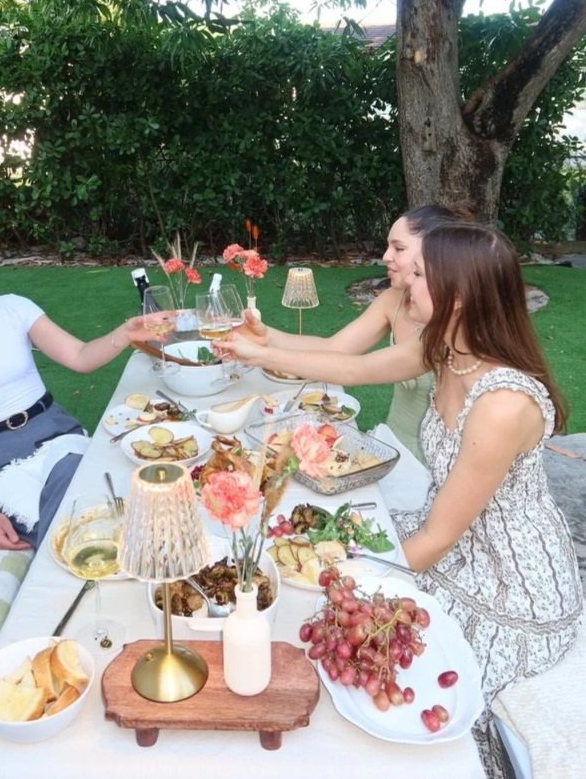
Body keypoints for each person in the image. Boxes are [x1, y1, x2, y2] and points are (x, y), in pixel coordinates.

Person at [220, 220, 583, 777]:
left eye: (417, 273)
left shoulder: (503, 403)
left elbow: (436, 538)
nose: (401, 281)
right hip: (451, 534)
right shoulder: (447, 350)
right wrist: (256, 349)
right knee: (328, 549)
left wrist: (345, 588)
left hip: (507, 579)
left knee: (396, 661)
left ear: (456, 297)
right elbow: (352, 366)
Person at [0, 213, 160, 551]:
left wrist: (125, 333)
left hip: (54, 433)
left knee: (89, 496)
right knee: (66, 535)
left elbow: (80, 356)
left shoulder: (13, 309)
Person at [239, 204, 471, 462]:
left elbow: (354, 370)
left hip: (445, 461)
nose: (386, 256)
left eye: (399, 248)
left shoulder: (454, 328)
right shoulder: (394, 299)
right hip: (394, 446)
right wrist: (266, 336)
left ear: (437, 253)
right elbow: (335, 348)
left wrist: (260, 354)